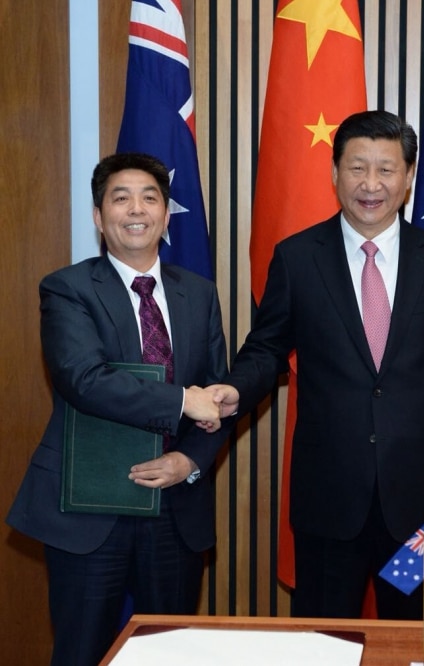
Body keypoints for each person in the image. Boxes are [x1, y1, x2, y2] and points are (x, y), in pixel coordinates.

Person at [206, 110, 424, 620]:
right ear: (335, 174)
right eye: (357, 168)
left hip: (419, 503)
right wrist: (234, 391)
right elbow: (267, 350)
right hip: (329, 501)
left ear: (407, 178)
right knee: (325, 637)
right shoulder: (297, 258)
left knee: (414, 636)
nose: (371, 184)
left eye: (386, 169)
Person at [6, 153, 229, 666]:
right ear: (98, 215)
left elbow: (214, 398)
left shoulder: (198, 294)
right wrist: (181, 400)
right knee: (81, 652)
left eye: (150, 197)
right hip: (89, 513)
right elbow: (83, 379)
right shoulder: (67, 288)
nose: (136, 209)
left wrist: (190, 462)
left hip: (176, 513)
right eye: (120, 197)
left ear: (166, 214)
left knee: (169, 654)